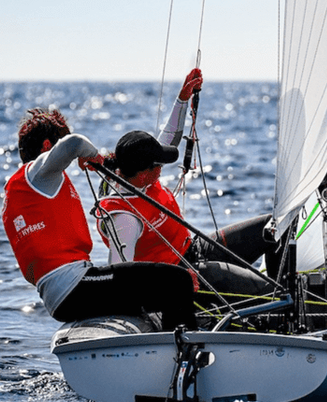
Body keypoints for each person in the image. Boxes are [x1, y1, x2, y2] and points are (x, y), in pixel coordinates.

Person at [1, 108, 196, 330]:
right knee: (179, 280)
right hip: (74, 287)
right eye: (56, 144)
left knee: (159, 287)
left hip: (58, 297)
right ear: (47, 146)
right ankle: (187, 352)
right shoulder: (38, 174)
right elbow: (74, 143)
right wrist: (91, 154)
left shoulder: (19, 193)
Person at [95, 69, 281, 295]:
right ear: (143, 173)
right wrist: (173, 281)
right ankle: (276, 305)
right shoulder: (124, 219)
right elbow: (121, 273)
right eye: (159, 166)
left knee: (276, 226)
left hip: (195, 249)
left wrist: (182, 99)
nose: (163, 169)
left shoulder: (133, 172)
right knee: (268, 291)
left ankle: (283, 291)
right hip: (180, 274)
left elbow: (169, 138)